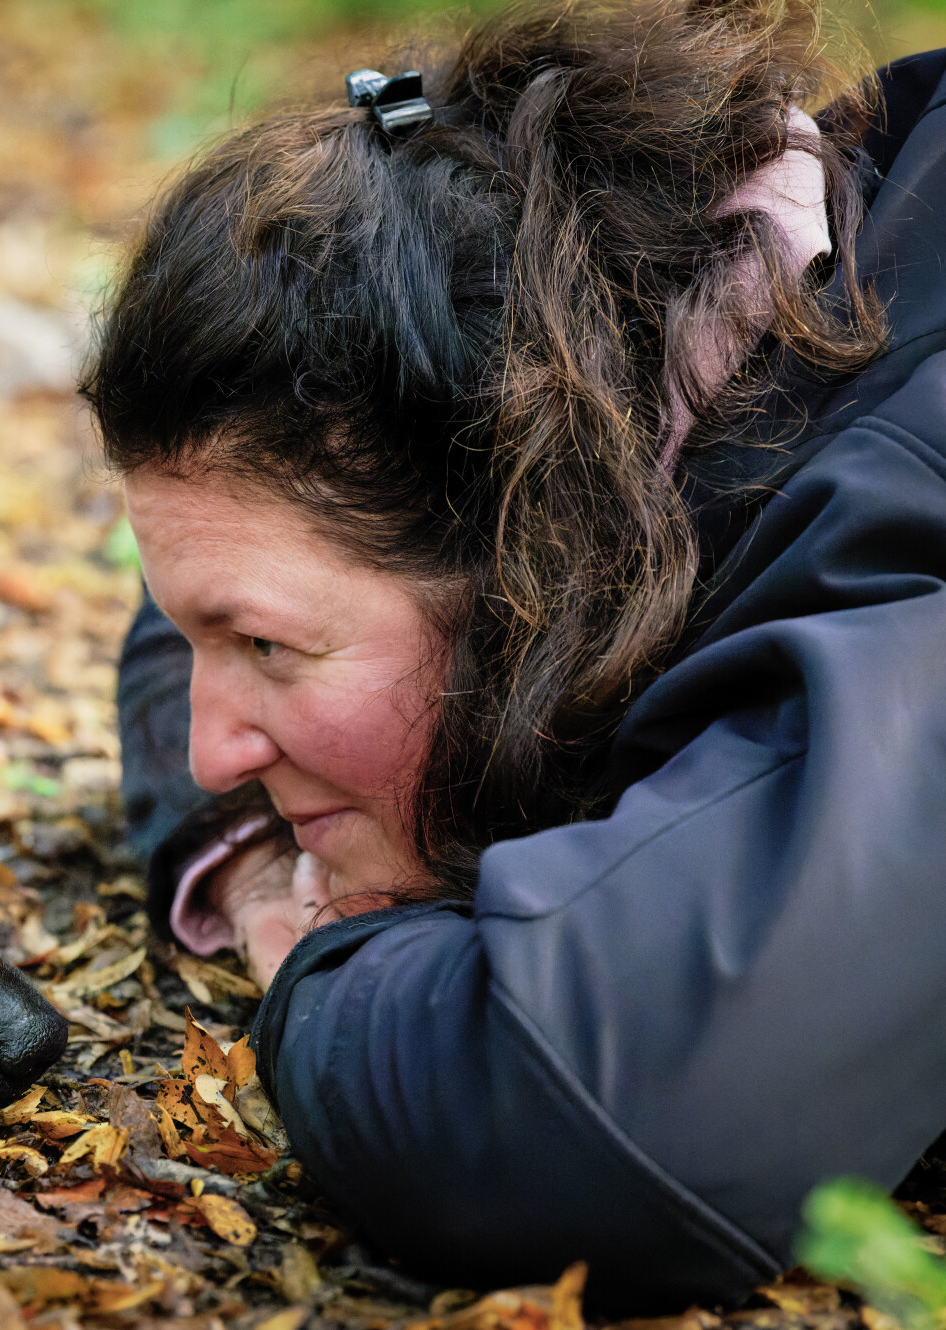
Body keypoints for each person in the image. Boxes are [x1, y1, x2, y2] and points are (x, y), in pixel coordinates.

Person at [86, 0, 946, 1310]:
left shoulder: (904, 472)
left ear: (530, 559)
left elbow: (599, 1114)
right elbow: (192, 604)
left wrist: (327, 966)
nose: (213, 749)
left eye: (266, 645)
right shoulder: (676, 328)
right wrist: (268, 863)